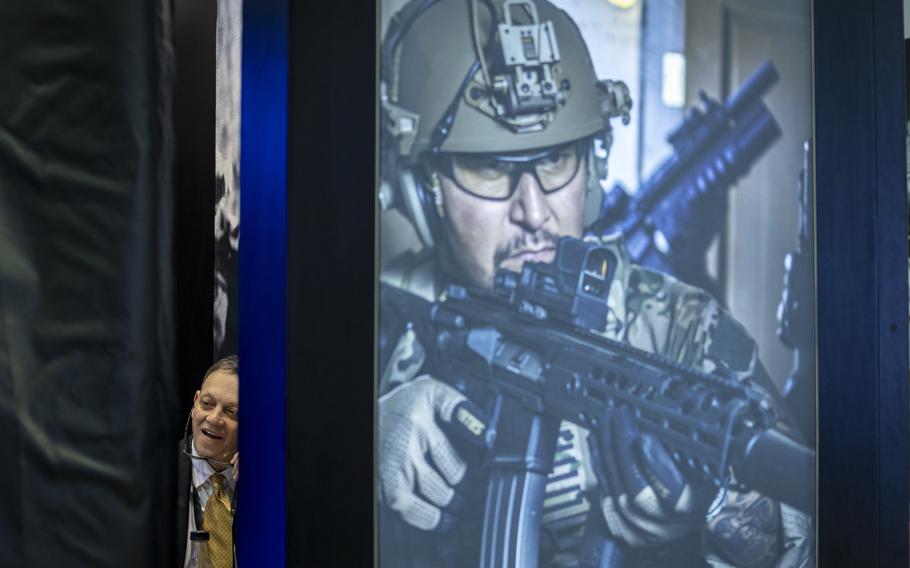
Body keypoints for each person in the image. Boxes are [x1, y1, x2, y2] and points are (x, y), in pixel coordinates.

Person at [377, 0, 812, 566]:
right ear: (419, 186)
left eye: (557, 160)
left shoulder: (682, 330)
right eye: (492, 169)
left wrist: (726, 509)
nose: (534, 211)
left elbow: (819, 529)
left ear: (593, 166)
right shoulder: (371, 313)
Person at [176, 356, 239, 568]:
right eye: (207, 403)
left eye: (232, 412)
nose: (213, 418)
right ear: (195, 402)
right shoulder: (158, 472)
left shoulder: (271, 486)